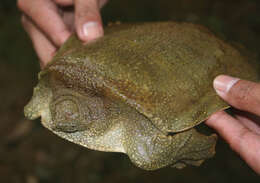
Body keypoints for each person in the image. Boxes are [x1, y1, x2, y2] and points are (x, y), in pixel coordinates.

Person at [18, 0, 260, 174]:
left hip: (204, 57)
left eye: (63, 107)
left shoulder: (128, 121)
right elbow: (45, 86)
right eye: (63, 106)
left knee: (147, 156)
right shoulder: (56, 83)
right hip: (139, 42)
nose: (63, 112)